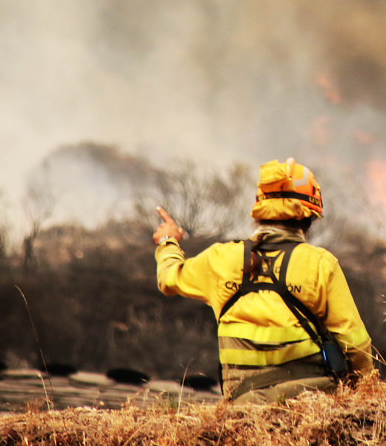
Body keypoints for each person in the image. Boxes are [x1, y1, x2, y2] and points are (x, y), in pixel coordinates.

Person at [153, 158, 374, 403]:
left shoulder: (220, 259)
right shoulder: (321, 264)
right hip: (313, 401)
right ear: (309, 217)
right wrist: (364, 394)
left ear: (259, 211)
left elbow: (169, 278)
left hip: (244, 403)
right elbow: (354, 342)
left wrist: (167, 242)